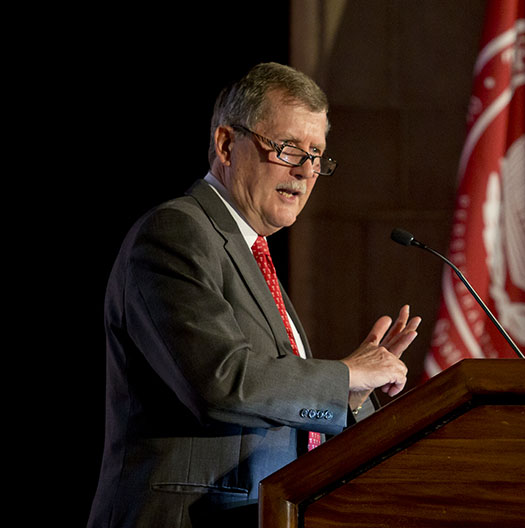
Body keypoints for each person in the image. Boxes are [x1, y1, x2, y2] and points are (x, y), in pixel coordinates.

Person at [87, 62, 420, 528]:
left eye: (316, 154)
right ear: (227, 144)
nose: (305, 171)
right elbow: (220, 382)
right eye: (288, 148)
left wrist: (350, 395)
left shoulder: (248, 252)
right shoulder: (176, 233)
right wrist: (344, 374)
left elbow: (270, 410)